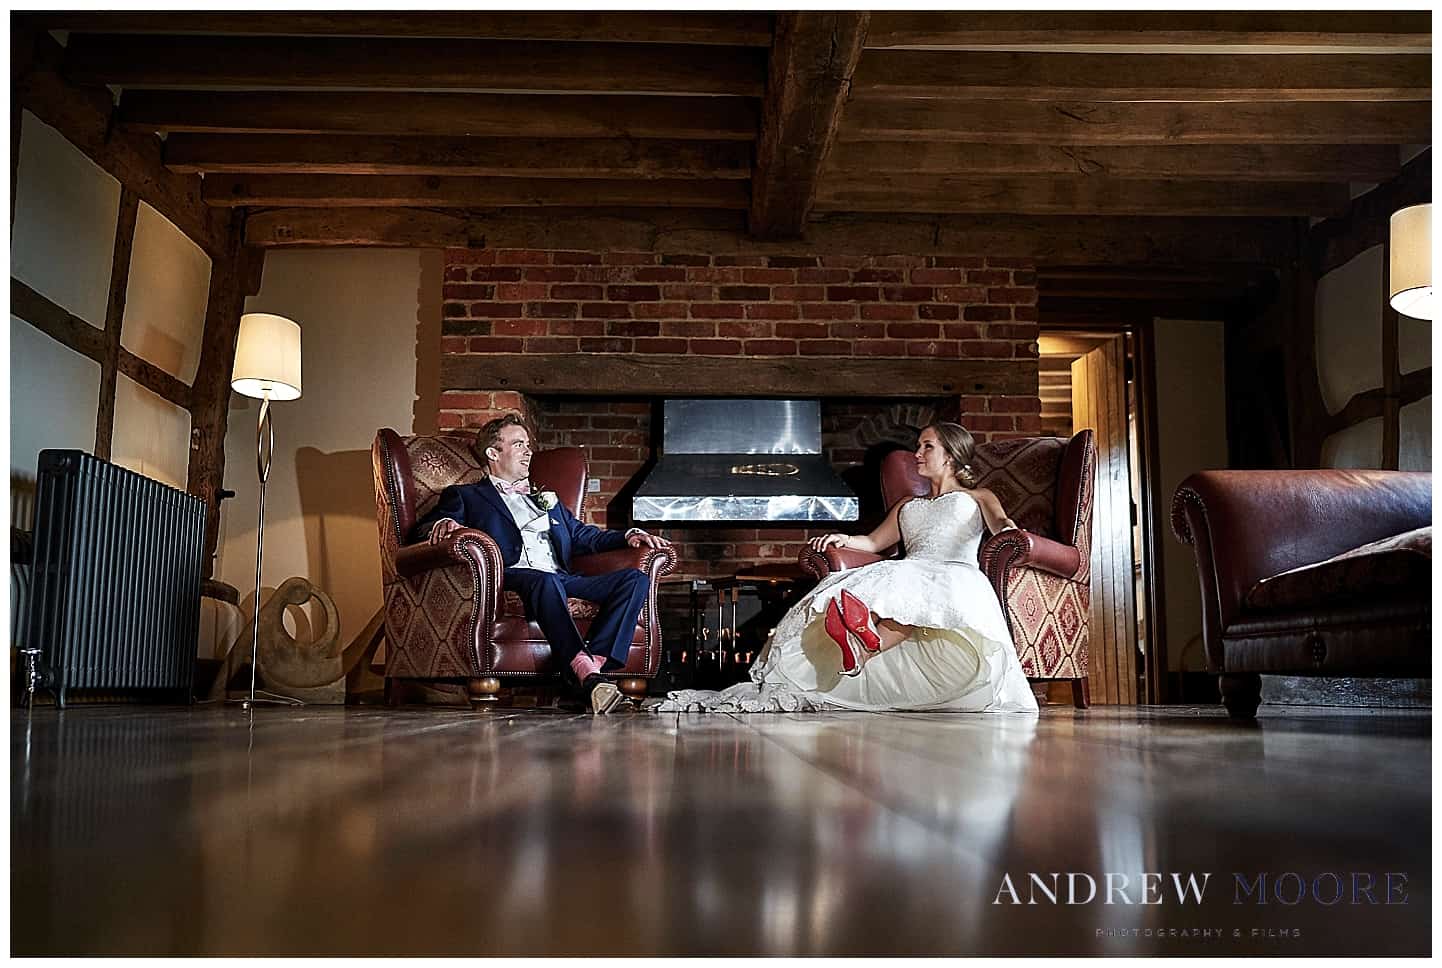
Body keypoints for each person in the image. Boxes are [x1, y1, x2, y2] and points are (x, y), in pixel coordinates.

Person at [657, 421, 1038, 713]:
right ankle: (866, 644)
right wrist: (840, 540)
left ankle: (868, 640)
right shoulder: (908, 505)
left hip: (954, 572)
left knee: (926, 594)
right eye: (918, 446)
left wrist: (1010, 531)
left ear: (951, 456)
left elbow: (1001, 523)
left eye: (927, 446)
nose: (917, 453)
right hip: (914, 568)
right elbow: (873, 542)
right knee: (896, 585)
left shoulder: (977, 496)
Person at [412, 413, 673, 714]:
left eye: (528, 444)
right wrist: (444, 522)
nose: (528, 451)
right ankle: (585, 672)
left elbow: (582, 536)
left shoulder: (544, 497)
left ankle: (591, 673)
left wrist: (629, 535)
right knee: (543, 580)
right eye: (518, 444)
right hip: (510, 575)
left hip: (560, 577)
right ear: (493, 453)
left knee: (635, 580)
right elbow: (423, 530)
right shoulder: (466, 495)